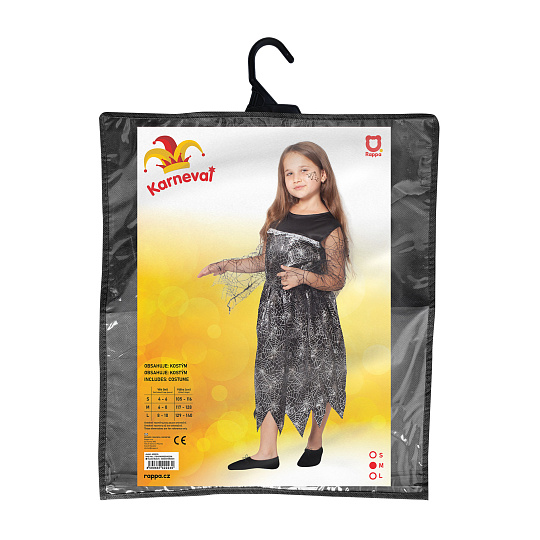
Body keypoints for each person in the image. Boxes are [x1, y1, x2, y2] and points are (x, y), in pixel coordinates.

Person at [197, 141, 354, 470]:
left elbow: (336, 279)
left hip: (313, 317)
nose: (296, 179)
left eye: (305, 171)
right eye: (289, 173)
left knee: (318, 375)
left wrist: (303, 276)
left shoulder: (330, 228)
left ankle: (315, 443)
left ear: (323, 175)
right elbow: (263, 261)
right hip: (274, 315)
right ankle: (267, 453)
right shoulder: (278, 218)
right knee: (269, 375)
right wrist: (224, 265)